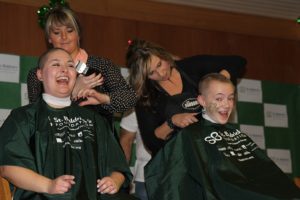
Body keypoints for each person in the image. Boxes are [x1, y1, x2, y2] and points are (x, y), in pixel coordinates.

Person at [0, 48, 137, 200]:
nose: (64, 70)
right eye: (56, 64)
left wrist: (114, 181)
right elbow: (8, 167)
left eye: (70, 66)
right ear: (40, 74)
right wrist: (48, 185)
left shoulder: (95, 119)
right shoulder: (23, 117)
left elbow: (118, 166)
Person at [144, 73, 300, 200]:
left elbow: (264, 171)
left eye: (230, 98)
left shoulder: (235, 133)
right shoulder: (192, 135)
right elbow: (168, 181)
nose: (226, 104)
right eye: (219, 98)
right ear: (202, 101)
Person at [126, 38, 247, 155]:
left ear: (163, 55)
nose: (161, 73)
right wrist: (172, 122)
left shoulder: (191, 67)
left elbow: (238, 62)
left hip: (213, 149)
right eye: (151, 73)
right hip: (177, 160)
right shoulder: (146, 97)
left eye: (159, 64)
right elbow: (151, 143)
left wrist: (218, 81)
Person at [27, 3, 137, 125]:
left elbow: (130, 98)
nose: (64, 37)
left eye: (69, 31)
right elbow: (35, 115)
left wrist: (103, 98)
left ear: (78, 34)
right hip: (55, 141)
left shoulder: (101, 65)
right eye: (57, 33)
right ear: (49, 38)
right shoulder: (39, 74)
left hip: (97, 140)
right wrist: (72, 91)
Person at [119, 110, 151, 200]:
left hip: (185, 173)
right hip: (145, 176)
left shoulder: (191, 100)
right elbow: (126, 141)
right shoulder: (138, 103)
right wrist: (121, 177)